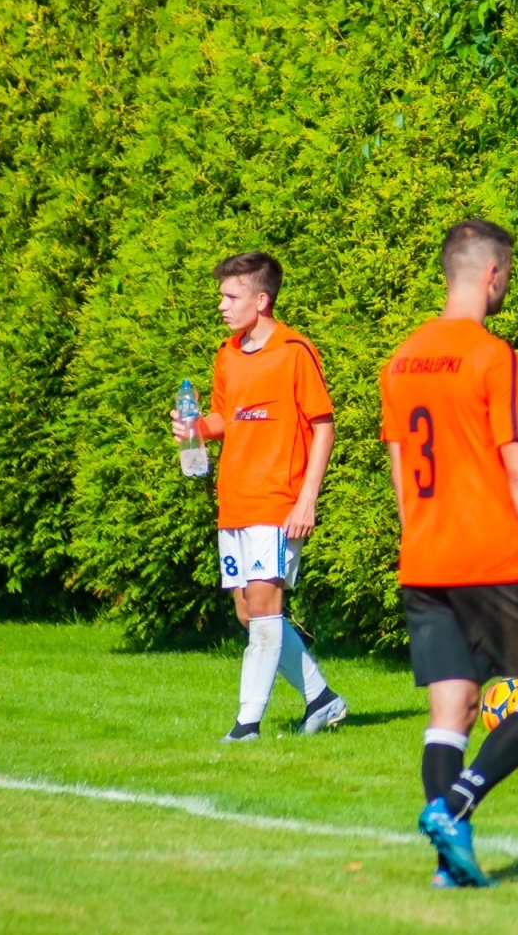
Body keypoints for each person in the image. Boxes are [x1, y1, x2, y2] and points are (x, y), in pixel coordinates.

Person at [381, 218, 518, 890]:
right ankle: (455, 806)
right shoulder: (495, 356)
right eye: (507, 275)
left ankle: (448, 866)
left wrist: (420, 538)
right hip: (491, 556)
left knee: (451, 710)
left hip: (424, 558)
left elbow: (401, 471)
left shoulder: (401, 359)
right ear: (492, 274)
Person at [170, 252, 347, 744]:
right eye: (222, 296)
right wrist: (195, 429)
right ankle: (323, 699)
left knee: (266, 608)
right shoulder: (227, 354)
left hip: (277, 499)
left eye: (231, 296)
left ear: (261, 299)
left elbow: (323, 425)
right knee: (248, 611)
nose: (222, 305)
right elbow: (226, 418)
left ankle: (246, 724)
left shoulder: (295, 351)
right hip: (235, 501)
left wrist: (307, 498)